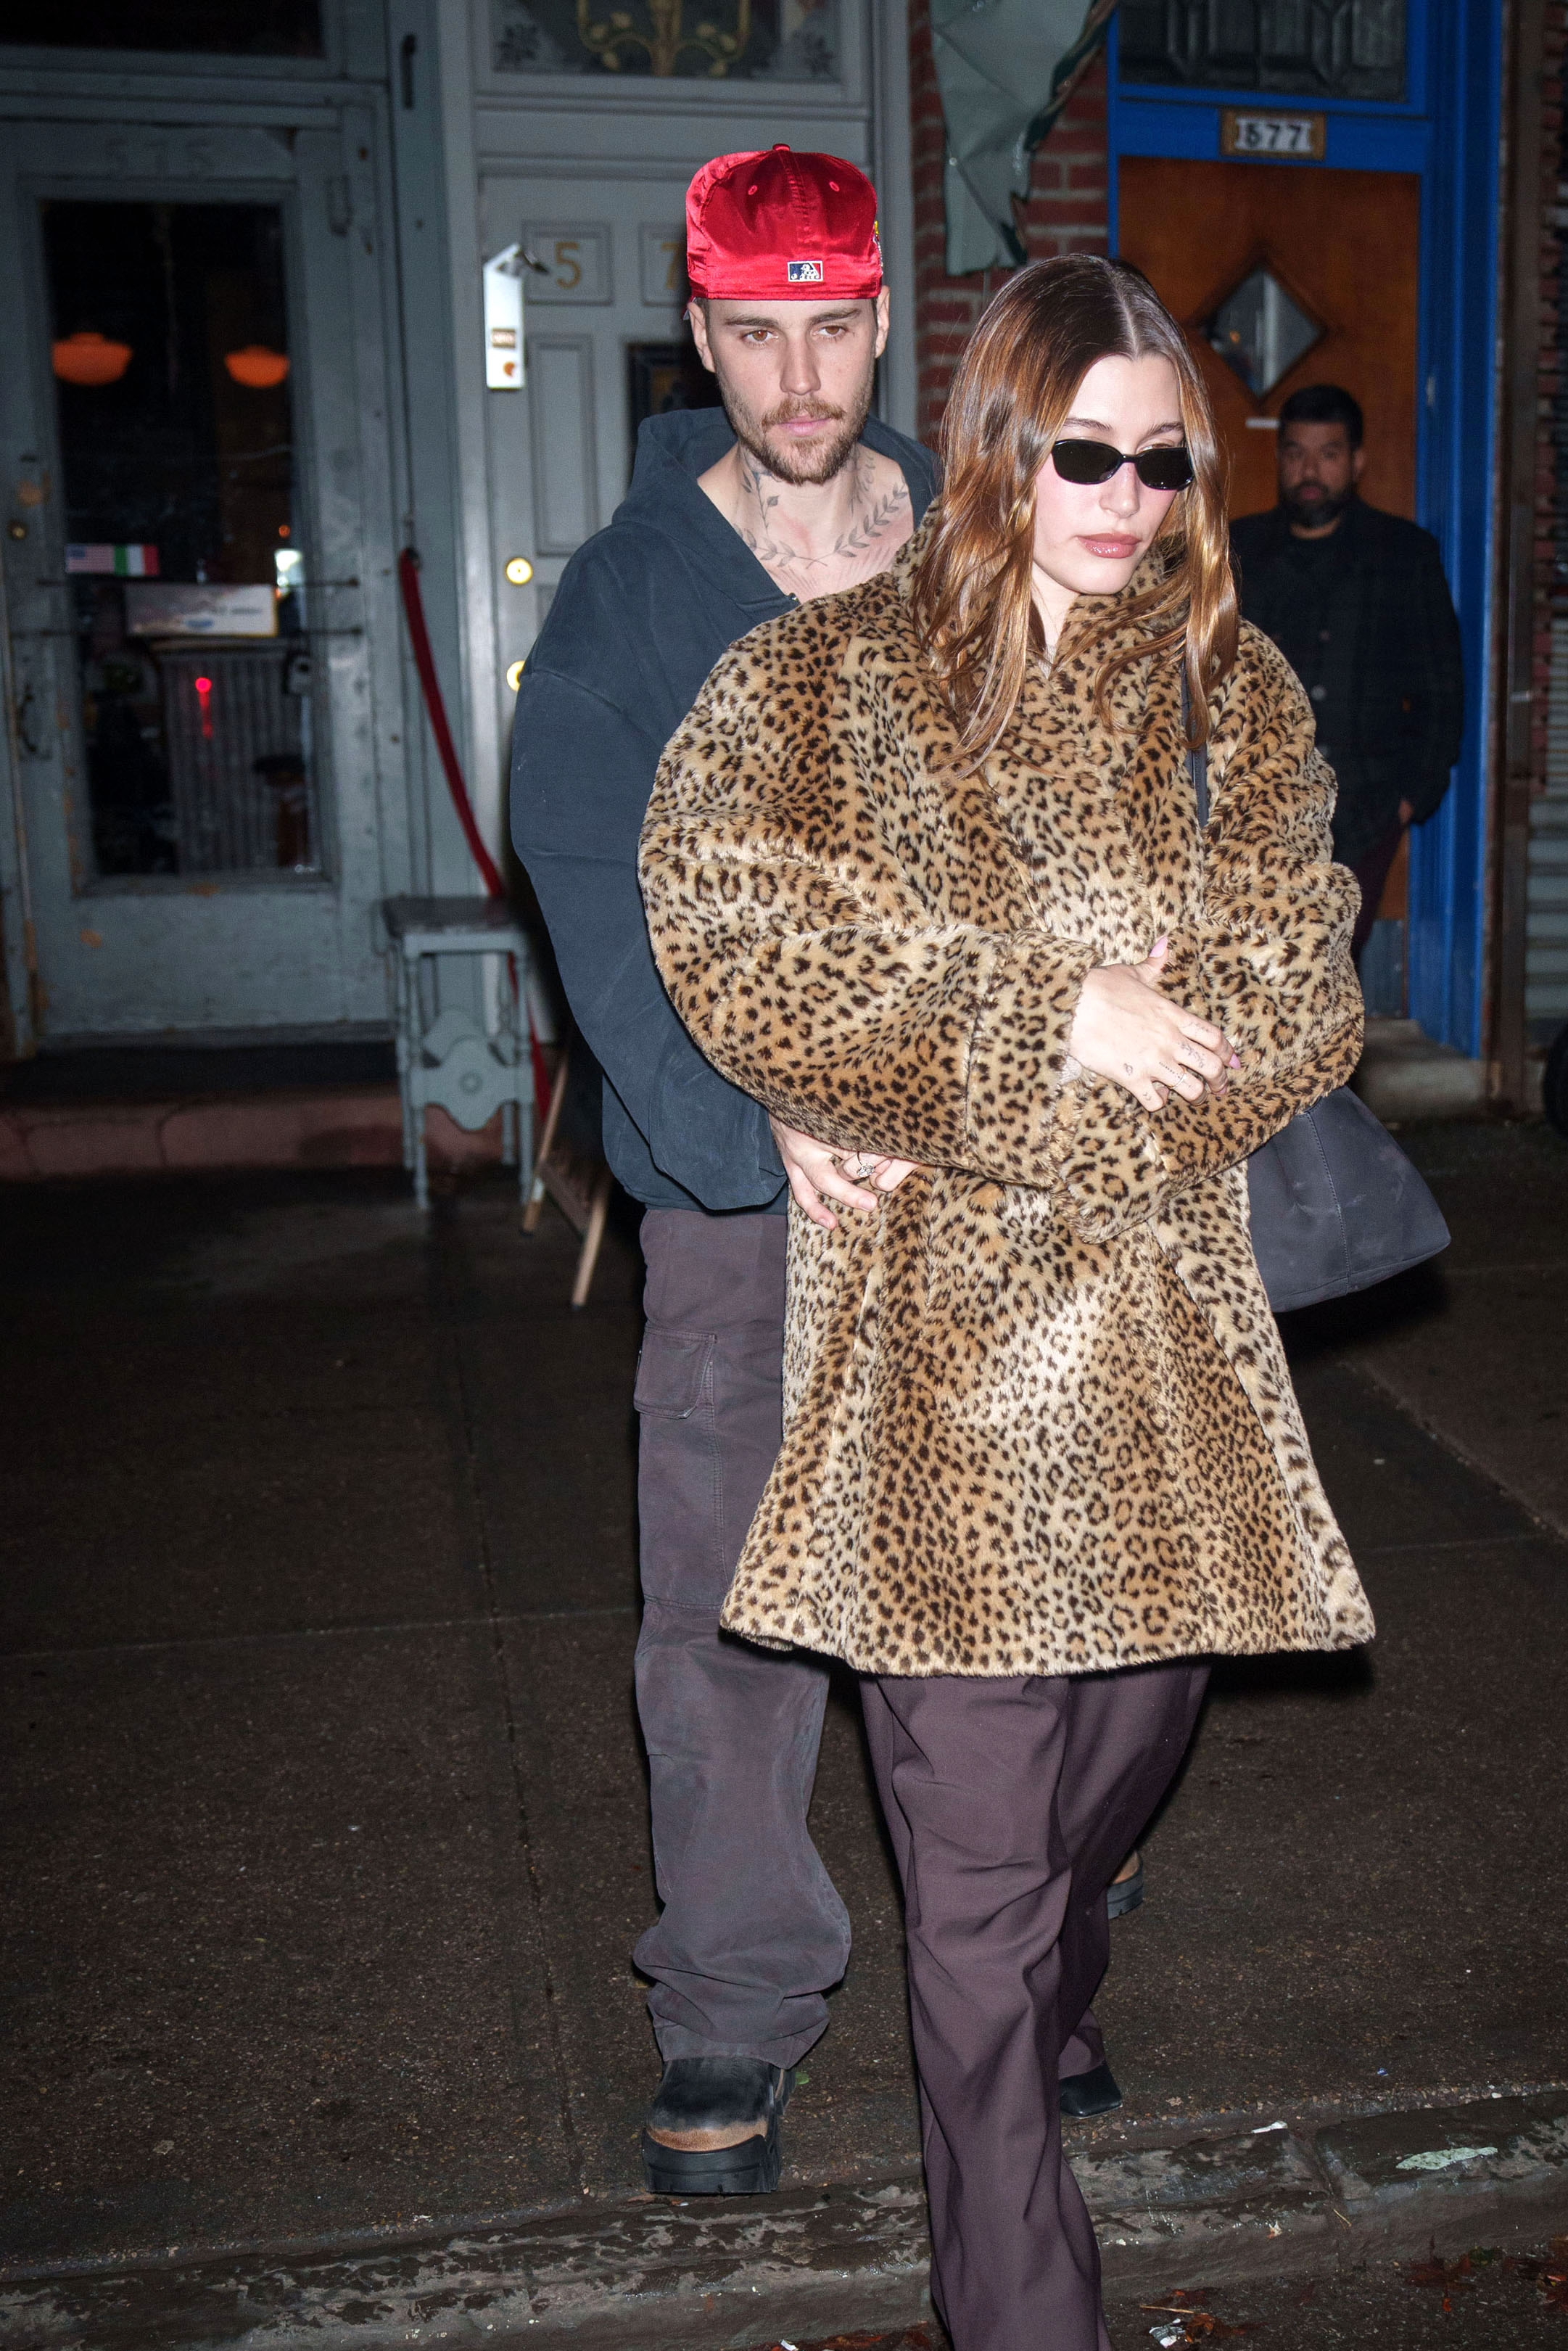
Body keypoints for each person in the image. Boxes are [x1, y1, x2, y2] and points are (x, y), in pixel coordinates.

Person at [640, 255, 1372, 2351]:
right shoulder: (824, 682)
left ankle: (1065, 1989)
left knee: (1110, 1791)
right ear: (998, 448)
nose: (1131, 498)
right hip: (942, 1406)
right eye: (1090, 451)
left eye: (1170, 460)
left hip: (1160, 1388)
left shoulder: (1231, 691)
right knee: (968, 1927)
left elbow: (1301, 987)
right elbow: (728, 919)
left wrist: (1162, 1040)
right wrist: (1042, 1014)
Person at [508, 147, 938, 2196]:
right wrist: (738, 1109)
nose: (794, 376)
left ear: (879, 320)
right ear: (701, 331)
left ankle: (1022, 1963)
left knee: (1022, 1603)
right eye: (752, 333)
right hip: (739, 1181)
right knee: (729, 1609)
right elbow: (590, 888)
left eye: (829, 328)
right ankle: (737, 2008)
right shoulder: (632, 590)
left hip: (989, 1170)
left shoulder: (982, 543)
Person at [1231, 383, 1464, 958]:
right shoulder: (1237, 549)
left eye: (1328, 454)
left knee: (1329, 975)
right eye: (1294, 453)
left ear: (1356, 462)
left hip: (1362, 809)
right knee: (1246, 972)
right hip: (1252, 809)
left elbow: (1442, 690)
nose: (1309, 471)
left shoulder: (1403, 555)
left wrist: (1408, 800)